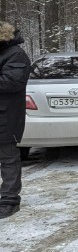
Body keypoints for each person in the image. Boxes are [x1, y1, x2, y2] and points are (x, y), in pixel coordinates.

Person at [0, 22, 31, 219]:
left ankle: (9, 201)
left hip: (6, 115)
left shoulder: (15, 54)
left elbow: (13, 82)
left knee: (8, 158)